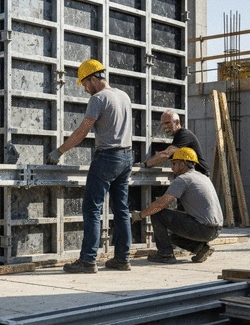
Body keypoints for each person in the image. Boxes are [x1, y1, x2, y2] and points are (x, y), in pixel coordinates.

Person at [46, 59, 133, 273]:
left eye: (85, 83)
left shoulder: (98, 98)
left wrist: (59, 151)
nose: (84, 88)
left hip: (107, 158)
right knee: (121, 209)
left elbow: (82, 131)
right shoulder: (124, 96)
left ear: (94, 79)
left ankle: (87, 260)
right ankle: (122, 259)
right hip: (127, 157)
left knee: (92, 208)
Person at [131, 147, 223, 264]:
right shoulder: (202, 177)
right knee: (173, 238)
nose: (172, 168)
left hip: (204, 229)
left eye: (174, 163)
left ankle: (165, 254)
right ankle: (200, 248)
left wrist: (140, 215)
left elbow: (160, 204)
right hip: (215, 230)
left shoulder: (183, 179)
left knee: (157, 213)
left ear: (183, 164)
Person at [139, 109, 210, 176]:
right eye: (162, 124)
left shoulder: (183, 134)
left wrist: (145, 165)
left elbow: (166, 154)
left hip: (200, 174)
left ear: (177, 122)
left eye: (167, 123)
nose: (164, 127)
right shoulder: (177, 137)